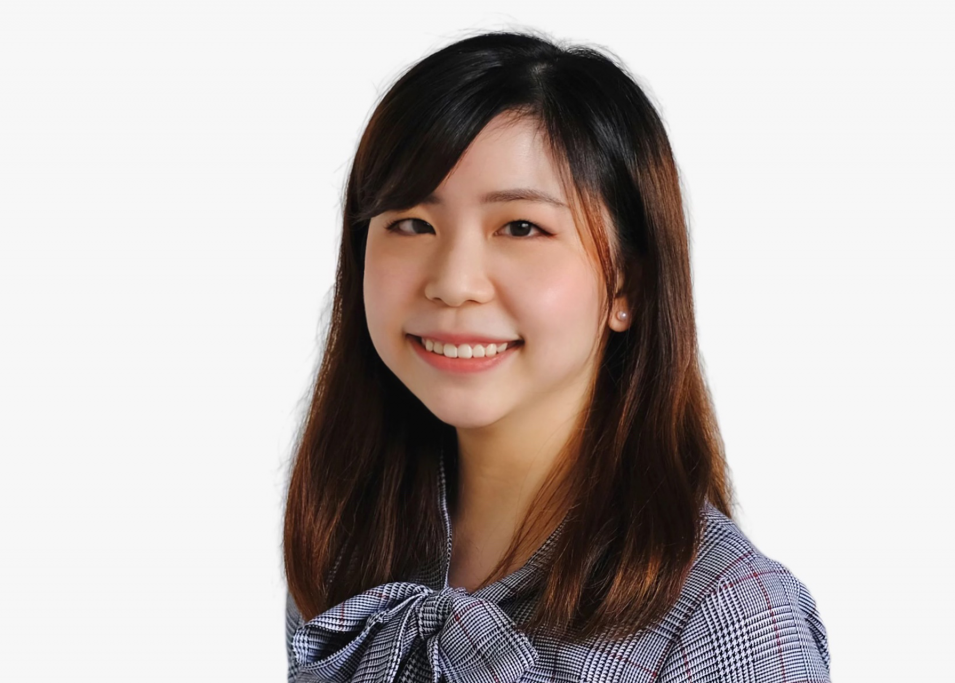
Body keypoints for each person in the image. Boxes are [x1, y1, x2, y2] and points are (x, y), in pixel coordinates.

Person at [282, 28, 831, 683]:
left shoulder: (730, 616)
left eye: (521, 227)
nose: (454, 282)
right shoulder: (349, 543)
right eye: (411, 223)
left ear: (626, 285)